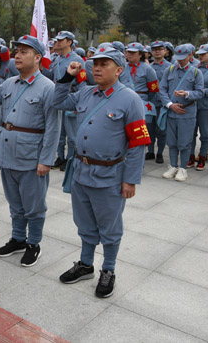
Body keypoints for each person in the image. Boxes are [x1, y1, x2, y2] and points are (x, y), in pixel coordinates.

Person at [51, 44, 149, 298]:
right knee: (84, 224)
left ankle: (109, 269)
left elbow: (139, 144)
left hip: (110, 175)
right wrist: (67, 77)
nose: (97, 68)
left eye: (104, 64)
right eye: (95, 64)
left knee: (110, 227)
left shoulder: (130, 99)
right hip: (81, 172)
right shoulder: (86, 93)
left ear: (119, 70)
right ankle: (85, 264)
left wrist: (131, 180)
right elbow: (58, 101)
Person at [0, 35, 61, 266]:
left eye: (24, 52)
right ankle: (17, 238)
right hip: (8, 152)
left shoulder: (48, 88)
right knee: (14, 202)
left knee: (34, 205)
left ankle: (34, 243)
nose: (17, 55)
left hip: (31, 156)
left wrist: (46, 159)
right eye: (17, 51)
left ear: (38, 58)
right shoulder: (8, 83)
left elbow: (54, 128)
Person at [159, 44, 204, 182]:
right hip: (172, 111)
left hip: (187, 112)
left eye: (183, 58)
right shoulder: (169, 70)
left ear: (190, 55)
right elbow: (162, 90)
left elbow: (200, 92)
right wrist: (170, 105)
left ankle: (183, 168)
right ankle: (173, 166)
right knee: (171, 141)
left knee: (184, 142)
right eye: (178, 58)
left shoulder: (196, 72)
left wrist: (187, 94)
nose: (180, 61)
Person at [43, 31, 85, 171]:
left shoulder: (77, 60)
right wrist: (41, 68)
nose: (57, 42)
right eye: (57, 40)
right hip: (57, 98)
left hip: (70, 98)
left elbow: (82, 83)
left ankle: (71, 159)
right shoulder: (56, 59)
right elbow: (51, 76)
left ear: (69, 42)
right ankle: (60, 157)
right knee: (59, 133)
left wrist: (78, 103)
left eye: (61, 40)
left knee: (72, 136)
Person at [123, 42, 159, 157]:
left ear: (140, 54)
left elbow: (153, 89)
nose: (129, 55)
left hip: (140, 102)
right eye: (128, 52)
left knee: (139, 130)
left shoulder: (148, 69)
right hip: (124, 101)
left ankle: (138, 156)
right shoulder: (121, 67)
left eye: (133, 53)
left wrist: (144, 101)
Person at [147, 41, 171, 163]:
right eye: (154, 49)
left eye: (160, 49)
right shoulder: (148, 67)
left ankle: (160, 152)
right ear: (151, 52)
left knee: (161, 129)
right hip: (150, 103)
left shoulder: (170, 67)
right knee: (149, 129)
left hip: (163, 103)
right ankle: (150, 151)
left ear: (165, 51)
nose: (157, 51)